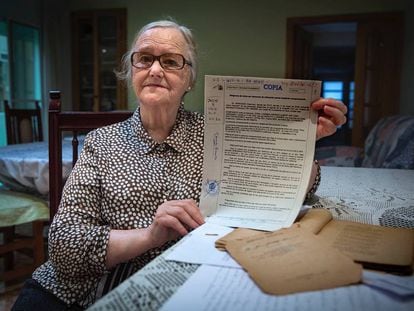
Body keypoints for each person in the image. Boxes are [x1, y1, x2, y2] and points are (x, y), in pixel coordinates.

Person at [12, 19, 347, 310]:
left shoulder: (219, 135)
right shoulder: (101, 142)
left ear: (190, 79)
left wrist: (302, 144)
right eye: (144, 59)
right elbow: (64, 246)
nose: (155, 69)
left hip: (174, 285)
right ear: (131, 71)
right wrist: (150, 236)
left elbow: (285, 191)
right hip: (72, 291)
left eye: (171, 61)